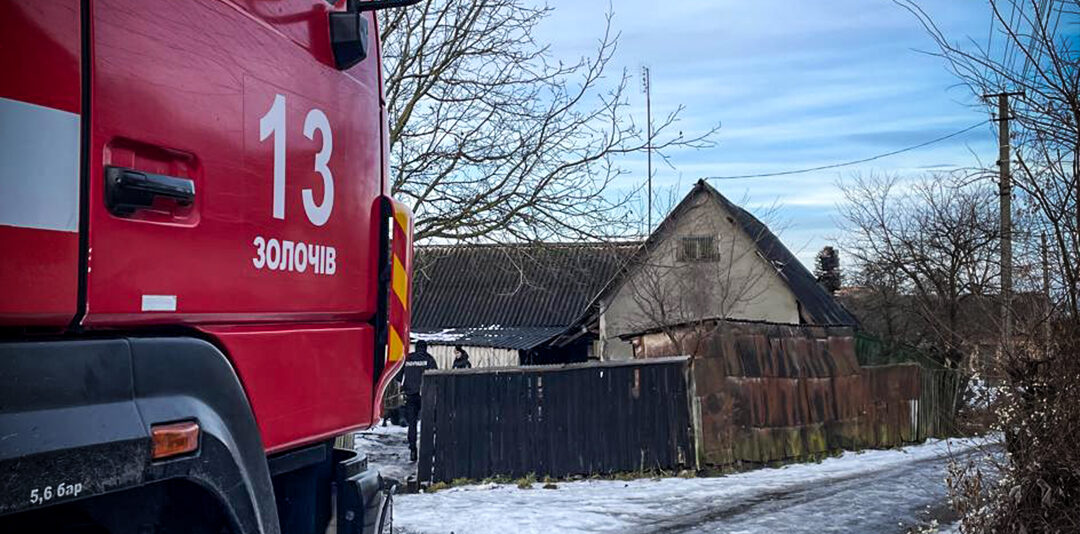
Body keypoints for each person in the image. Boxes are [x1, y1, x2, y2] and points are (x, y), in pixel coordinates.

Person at [399, 340, 437, 461]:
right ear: (425, 348)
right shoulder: (429, 359)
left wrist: (404, 387)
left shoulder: (408, 358)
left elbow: (398, 376)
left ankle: (413, 448)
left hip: (410, 395)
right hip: (425, 395)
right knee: (428, 422)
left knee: (412, 423)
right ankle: (427, 447)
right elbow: (435, 376)